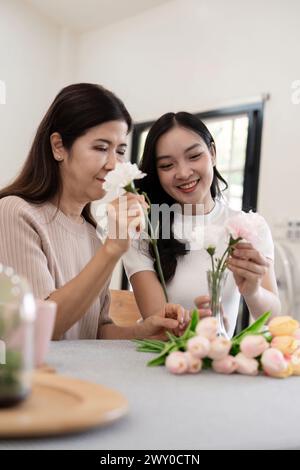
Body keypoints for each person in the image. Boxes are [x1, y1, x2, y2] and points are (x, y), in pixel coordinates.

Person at [0, 84, 185, 340]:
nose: (113, 164)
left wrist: (143, 331)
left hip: (77, 379)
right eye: (100, 148)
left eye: (120, 150)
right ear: (59, 147)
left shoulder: (91, 235)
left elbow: (96, 332)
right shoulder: (15, 213)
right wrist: (112, 250)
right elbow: (38, 330)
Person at [123, 112, 280, 337]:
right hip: (157, 359)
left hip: (215, 361)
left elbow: (273, 318)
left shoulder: (248, 227)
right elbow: (157, 323)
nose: (184, 173)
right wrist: (196, 324)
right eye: (167, 165)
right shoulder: (144, 228)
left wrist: (253, 291)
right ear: (156, 173)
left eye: (194, 156)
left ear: (213, 153)